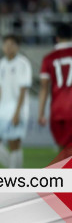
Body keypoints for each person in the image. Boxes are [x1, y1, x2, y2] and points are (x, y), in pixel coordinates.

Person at [0, 34, 32, 168]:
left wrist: (17, 112)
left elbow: (23, 89)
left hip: (16, 109)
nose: (8, 47)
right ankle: (17, 173)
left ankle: (15, 177)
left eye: (12, 44)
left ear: (17, 47)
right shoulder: (2, 63)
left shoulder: (23, 63)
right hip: (2, 109)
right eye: (6, 44)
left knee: (14, 145)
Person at [39, 23, 72, 152]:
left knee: (63, 150)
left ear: (57, 38)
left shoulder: (48, 58)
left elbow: (43, 88)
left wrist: (41, 113)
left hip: (57, 110)